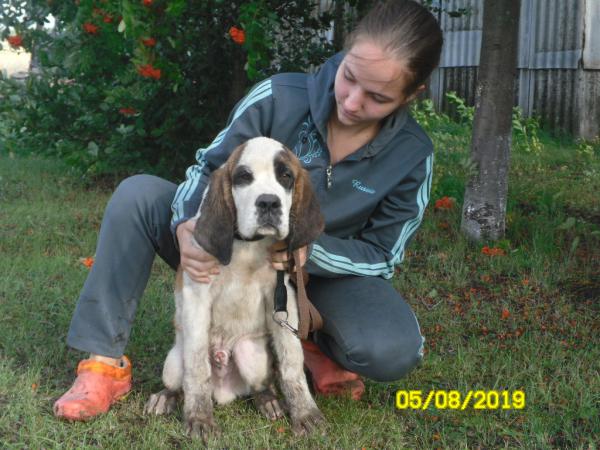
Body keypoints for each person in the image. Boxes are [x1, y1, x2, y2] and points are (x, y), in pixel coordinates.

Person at [53, 0, 443, 421]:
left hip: (318, 275)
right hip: (225, 246)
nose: (350, 102)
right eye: (348, 77)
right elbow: (208, 167)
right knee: (137, 195)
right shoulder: (279, 96)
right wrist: (187, 224)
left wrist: (311, 251)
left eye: (377, 97)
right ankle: (104, 363)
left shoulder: (413, 155)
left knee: (392, 350)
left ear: (411, 95)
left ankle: (306, 341)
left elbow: (383, 253)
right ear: (344, 56)